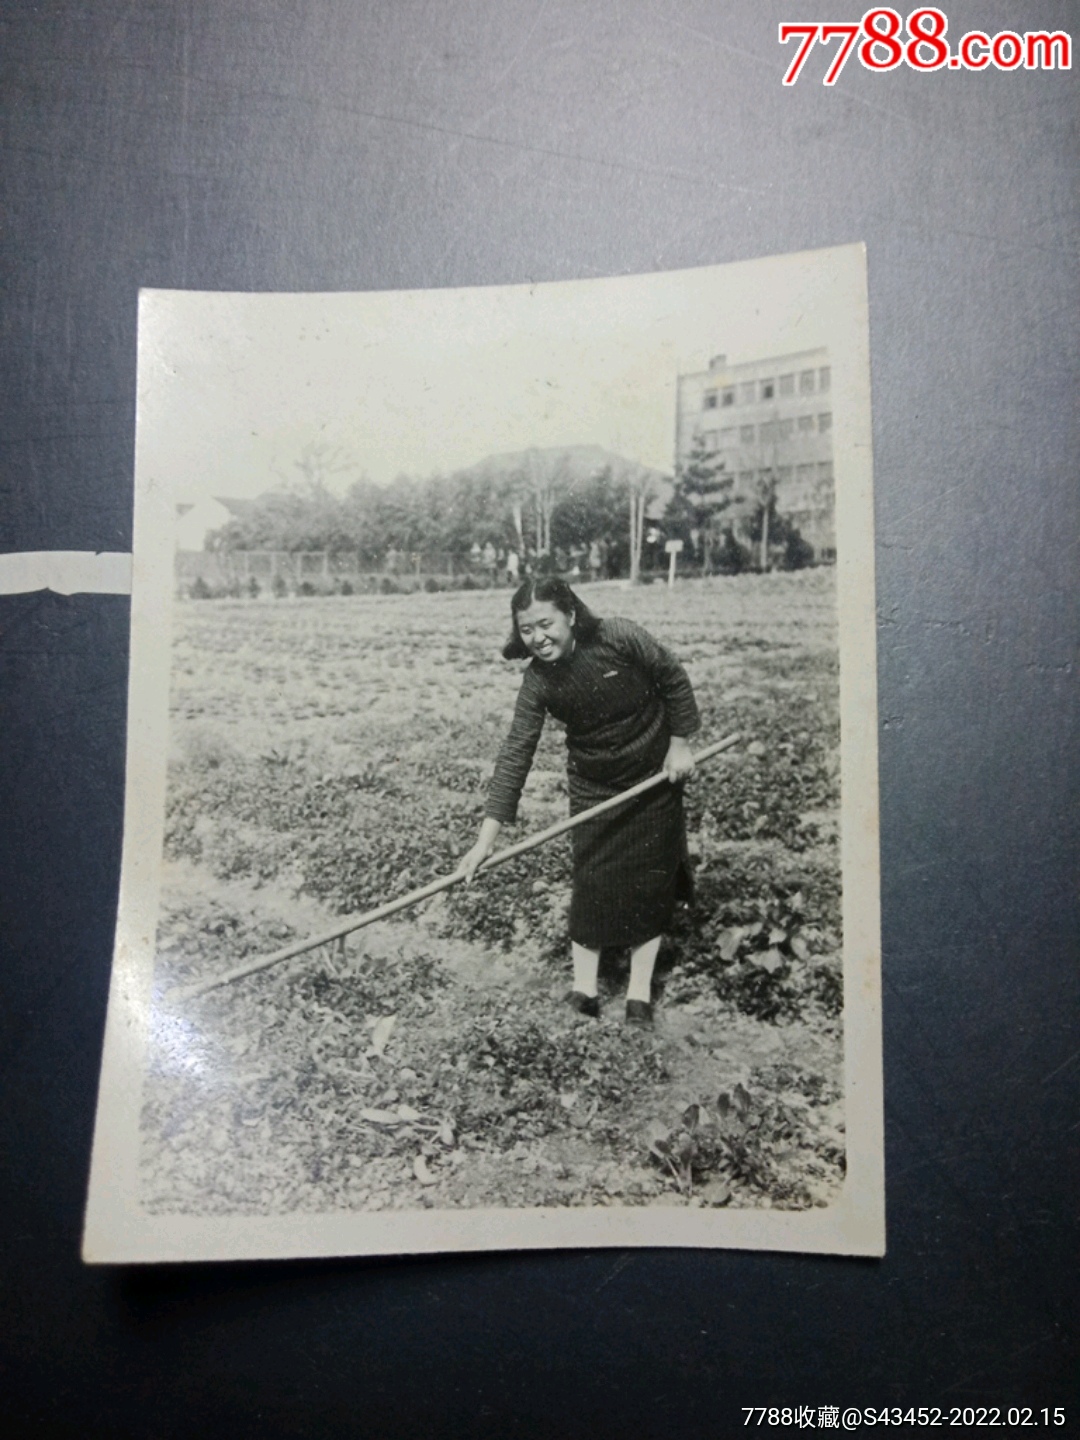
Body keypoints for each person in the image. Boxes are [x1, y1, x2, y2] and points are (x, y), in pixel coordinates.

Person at [457, 577, 699, 1023]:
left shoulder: (619, 637)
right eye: (527, 630)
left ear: (570, 615)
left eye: (545, 624)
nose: (538, 638)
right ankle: (584, 991)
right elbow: (516, 753)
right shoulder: (537, 681)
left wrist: (679, 744)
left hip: (651, 775)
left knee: (650, 880)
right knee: (592, 882)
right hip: (594, 785)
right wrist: (484, 841)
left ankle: (639, 995)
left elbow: (673, 678)